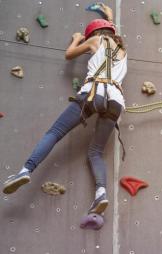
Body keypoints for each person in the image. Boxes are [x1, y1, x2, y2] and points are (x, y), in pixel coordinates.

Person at [2, 4, 127, 215]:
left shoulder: (94, 40)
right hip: (116, 101)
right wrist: (110, 17)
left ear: (94, 33)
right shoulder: (122, 51)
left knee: (54, 133)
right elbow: (111, 33)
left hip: (92, 92)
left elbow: (69, 55)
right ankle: (101, 194)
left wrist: (77, 39)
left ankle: (25, 171)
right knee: (95, 153)